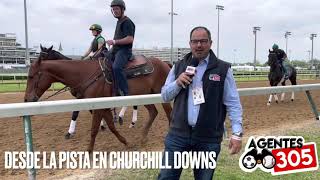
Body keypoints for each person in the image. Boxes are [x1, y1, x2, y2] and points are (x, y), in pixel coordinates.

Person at [158, 26, 243, 180]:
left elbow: (233, 102)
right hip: (178, 135)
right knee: (166, 177)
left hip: (208, 137)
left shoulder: (223, 69)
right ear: (190, 44)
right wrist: (177, 83)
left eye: (203, 41)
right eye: (195, 41)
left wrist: (237, 133)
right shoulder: (178, 66)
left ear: (210, 43)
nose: (199, 45)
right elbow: (164, 96)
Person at [106, 0, 135, 96]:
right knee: (102, 60)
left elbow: (130, 39)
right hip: (116, 50)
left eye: (117, 9)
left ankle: (124, 91)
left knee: (116, 67)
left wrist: (114, 42)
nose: (115, 11)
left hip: (124, 51)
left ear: (122, 9)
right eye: (113, 9)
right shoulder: (119, 21)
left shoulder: (127, 22)